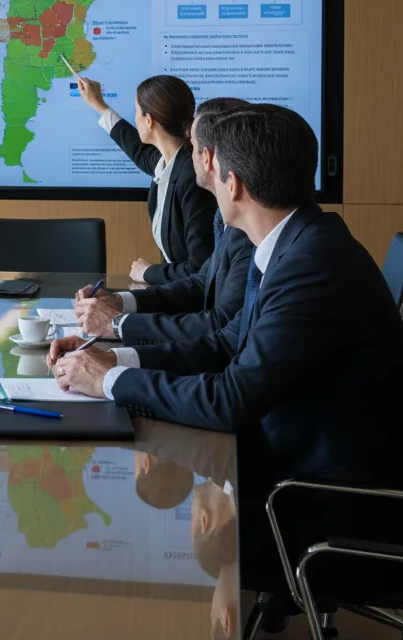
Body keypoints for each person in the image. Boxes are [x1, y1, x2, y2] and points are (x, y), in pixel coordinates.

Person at [48, 104, 403, 565]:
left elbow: (232, 400)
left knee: (155, 537)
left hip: (321, 502)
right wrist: (117, 360)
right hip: (298, 462)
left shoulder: (310, 263)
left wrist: (107, 383)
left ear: (232, 185)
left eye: (211, 169)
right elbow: (224, 342)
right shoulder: (294, 242)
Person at [74, 97, 254, 345]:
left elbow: (219, 325)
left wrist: (117, 323)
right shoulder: (167, 168)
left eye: (192, 144)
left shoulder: (246, 231)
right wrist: (120, 301)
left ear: (208, 158)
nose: (188, 151)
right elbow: (202, 282)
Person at [76, 74, 216, 282]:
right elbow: (137, 149)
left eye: (137, 112)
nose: (135, 118)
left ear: (148, 121)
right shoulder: (169, 161)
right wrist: (99, 105)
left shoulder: (191, 178)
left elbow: (199, 268)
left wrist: (148, 273)